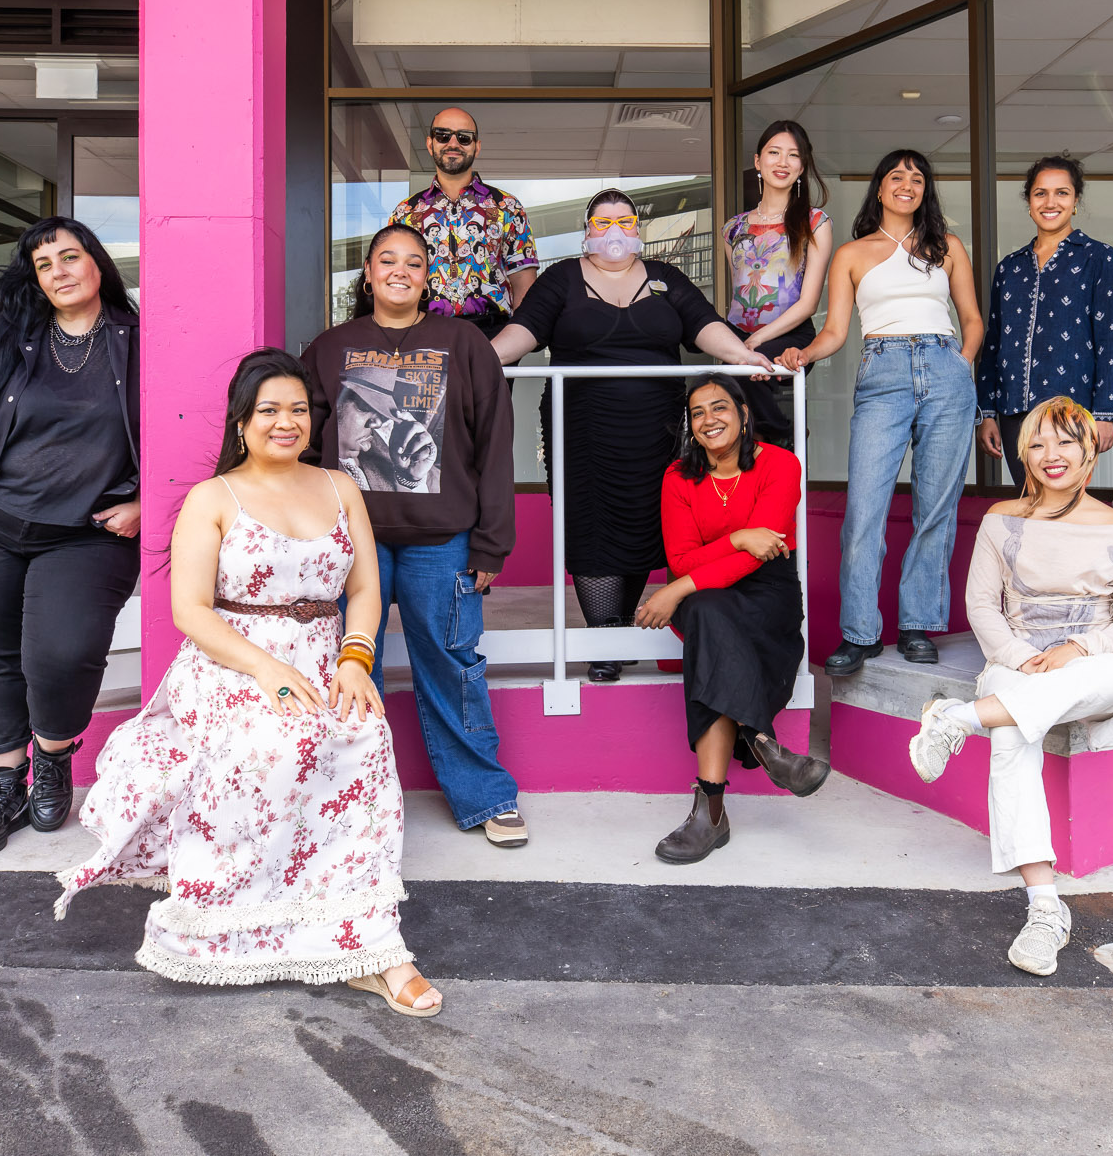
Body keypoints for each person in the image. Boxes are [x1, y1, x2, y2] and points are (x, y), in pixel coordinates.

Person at [56, 348, 442, 1015]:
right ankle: (234, 916)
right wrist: (268, 670)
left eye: (298, 409)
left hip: (327, 656)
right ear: (243, 421)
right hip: (235, 660)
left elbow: (367, 589)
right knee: (271, 745)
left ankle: (370, 942)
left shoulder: (339, 487)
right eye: (270, 410)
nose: (285, 422)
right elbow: (190, 612)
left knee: (363, 738)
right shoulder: (213, 498)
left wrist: (354, 659)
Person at [0, 217, 141, 862]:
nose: (61, 271)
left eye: (72, 257)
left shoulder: (139, 342)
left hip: (86, 535)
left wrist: (147, 502)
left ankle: (54, 752)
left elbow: (180, 430)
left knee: (62, 655)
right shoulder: (3, 343)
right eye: (46, 265)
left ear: (97, 263)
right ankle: (2, 785)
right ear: (35, 281)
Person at [300, 223, 528, 849]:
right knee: (346, 671)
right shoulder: (329, 347)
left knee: (453, 665)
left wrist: (491, 542)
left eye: (414, 261)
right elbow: (299, 443)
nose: (400, 269)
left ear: (428, 275)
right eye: (387, 260)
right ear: (368, 273)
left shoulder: (464, 342)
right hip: (348, 545)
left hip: (441, 538)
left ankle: (485, 796)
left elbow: (494, 444)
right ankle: (351, 808)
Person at [906, 396, 1113, 976]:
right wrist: (1023, 656)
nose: (1052, 455)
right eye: (1037, 443)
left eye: (1066, 441)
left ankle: (959, 718)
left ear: (1090, 451)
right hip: (1014, 662)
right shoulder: (1001, 520)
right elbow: (981, 607)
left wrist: (1077, 651)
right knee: (1013, 733)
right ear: (1023, 454)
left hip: (1096, 666)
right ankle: (1045, 908)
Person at [494, 189, 777, 682]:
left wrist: (742, 356)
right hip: (582, 426)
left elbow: (705, 324)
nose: (614, 232)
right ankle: (604, 636)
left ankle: (619, 626)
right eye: (602, 223)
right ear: (587, 231)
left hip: (658, 426)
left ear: (638, 230)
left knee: (646, 521)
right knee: (592, 523)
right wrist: (479, 357)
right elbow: (524, 330)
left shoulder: (666, 279)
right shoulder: (561, 279)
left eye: (624, 221)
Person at [777, 149, 984, 677]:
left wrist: (960, 365)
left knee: (935, 507)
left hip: (945, 369)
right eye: (897, 176)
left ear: (925, 191)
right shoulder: (852, 253)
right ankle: (860, 634)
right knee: (864, 511)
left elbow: (972, 320)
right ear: (880, 187)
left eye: (917, 178)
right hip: (883, 372)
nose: (907, 184)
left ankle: (916, 625)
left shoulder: (948, 247)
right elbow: (836, 332)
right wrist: (803, 353)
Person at [635, 373, 828, 863]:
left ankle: (710, 813)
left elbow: (759, 556)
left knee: (706, 627)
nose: (708, 420)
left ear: (743, 414)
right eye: (697, 413)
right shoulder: (678, 477)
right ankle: (765, 744)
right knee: (709, 615)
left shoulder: (781, 464)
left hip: (767, 594)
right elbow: (681, 558)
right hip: (706, 602)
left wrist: (680, 588)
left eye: (719, 408)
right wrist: (742, 538)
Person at [975, 155, 1113, 488]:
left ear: (1076, 201)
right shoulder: (1009, 268)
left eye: (1062, 193)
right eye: (1040, 193)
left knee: (1064, 507)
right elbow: (993, 345)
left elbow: (1112, 341)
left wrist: (1105, 414)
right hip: (1014, 411)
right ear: (1029, 202)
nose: (1050, 202)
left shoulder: (1099, 257)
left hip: (1071, 411)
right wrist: (986, 412)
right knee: (1027, 505)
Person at [723, 120, 833, 449]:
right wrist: (736, 343)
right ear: (758, 161)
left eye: (793, 155)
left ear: (802, 166)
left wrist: (755, 342)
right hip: (741, 336)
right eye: (774, 153)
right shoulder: (733, 227)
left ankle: (782, 434)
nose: (782, 162)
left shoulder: (815, 222)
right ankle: (767, 437)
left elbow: (808, 304)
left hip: (791, 333)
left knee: (742, 374)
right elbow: (738, 298)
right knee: (720, 387)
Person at [388, 107, 537, 338]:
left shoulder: (507, 206)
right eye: (443, 135)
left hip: (492, 332)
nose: (453, 143)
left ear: (477, 147)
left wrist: (515, 338)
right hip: (421, 331)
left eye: (464, 137)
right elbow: (393, 277)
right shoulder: (405, 213)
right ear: (430, 144)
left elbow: (523, 281)